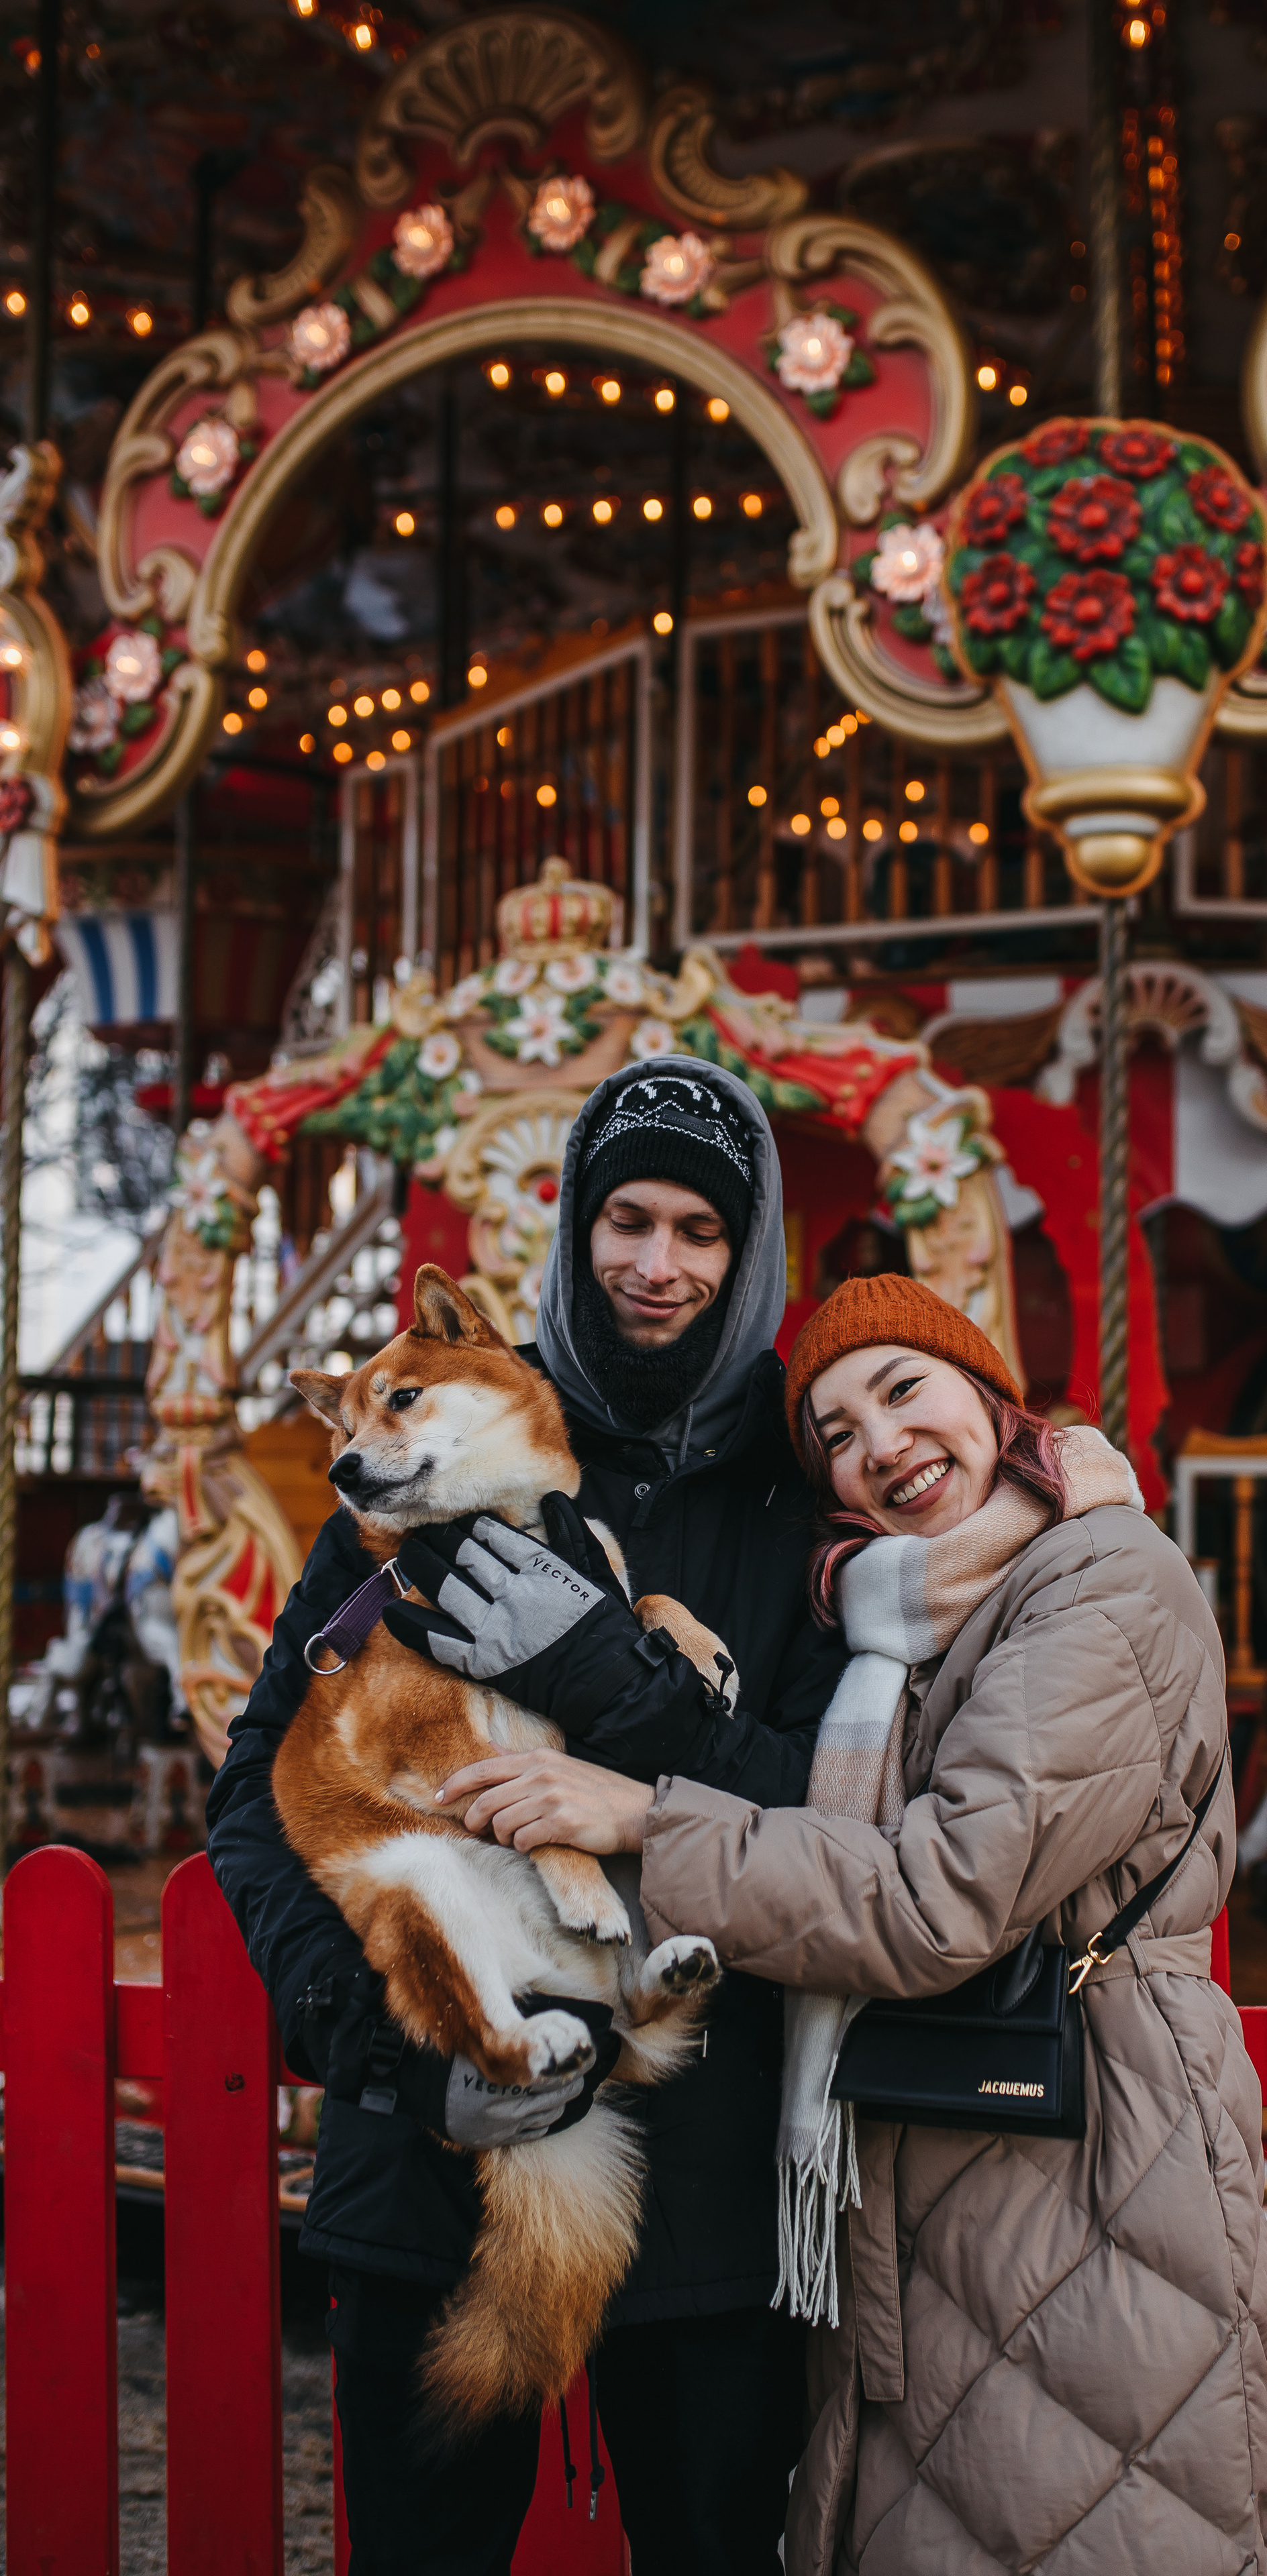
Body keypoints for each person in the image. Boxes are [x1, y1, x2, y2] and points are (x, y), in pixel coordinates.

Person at [471, 1273, 1267, 2575]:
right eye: (835, 1436)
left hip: (1087, 2152)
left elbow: (934, 1894)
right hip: (948, 2139)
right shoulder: (906, 1620)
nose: (878, 1447)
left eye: (902, 1390)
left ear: (985, 1394)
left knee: (1089, 2514)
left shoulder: (1100, 1581)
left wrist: (652, 1820)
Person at [206, 1059, 847, 2576]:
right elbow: (256, 1790)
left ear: (745, 1254)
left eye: (700, 1230)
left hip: (700, 2183)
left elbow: (827, 1805)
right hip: (429, 2166)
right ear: (574, 1228)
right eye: (626, 1218)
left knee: (710, 2544)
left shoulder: (797, 1492)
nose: (656, 1263)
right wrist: (388, 2050)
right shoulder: (433, 1461)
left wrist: (614, 1687)